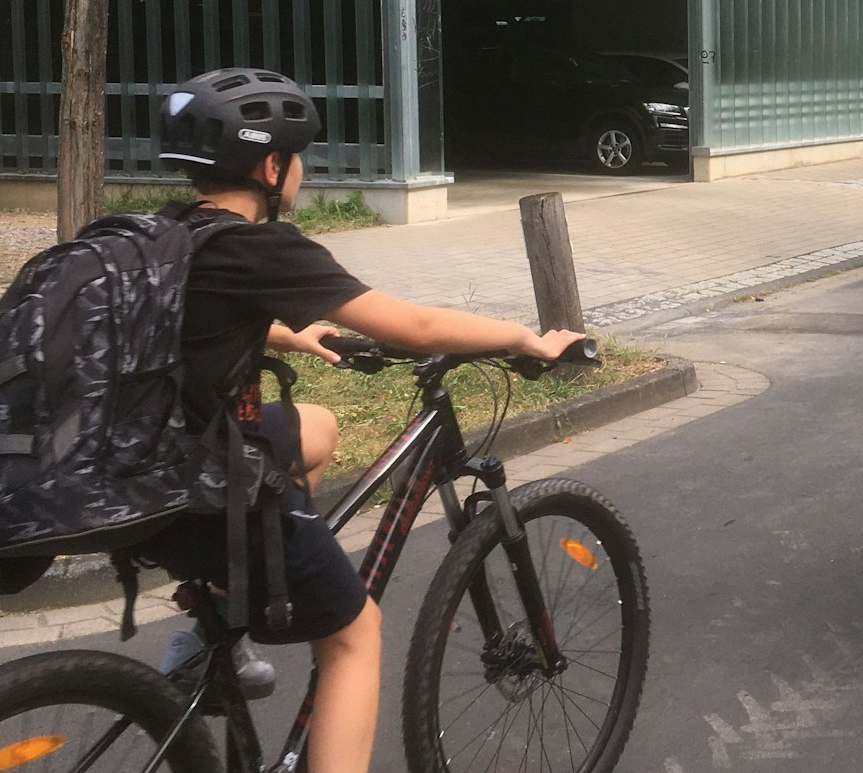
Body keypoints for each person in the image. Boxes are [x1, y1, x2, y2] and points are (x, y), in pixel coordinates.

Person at [133, 67, 586, 773]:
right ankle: (258, 593)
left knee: (316, 429)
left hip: (134, 461)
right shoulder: (259, 246)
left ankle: (214, 630)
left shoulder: (162, 233)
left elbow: (188, 319)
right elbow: (415, 325)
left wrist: (287, 335)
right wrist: (524, 337)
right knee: (356, 634)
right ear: (271, 166)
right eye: (297, 157)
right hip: (200, 481)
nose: (301, 170)